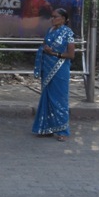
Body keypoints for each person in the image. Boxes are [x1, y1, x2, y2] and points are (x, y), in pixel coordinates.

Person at [32, 8, 75, 141]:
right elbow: (45, 44)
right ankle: (46, 128)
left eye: (55, 16)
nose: (52, 19)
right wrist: (45, 48)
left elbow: (71, 54)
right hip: (47, 68)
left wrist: (54, 53)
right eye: (51, 16)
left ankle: (63, 131)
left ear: (63, 19)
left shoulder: (68, 33)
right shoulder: (50, 31)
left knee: (60, 99)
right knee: (47, 98)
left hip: (60, 69)